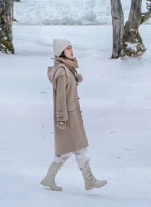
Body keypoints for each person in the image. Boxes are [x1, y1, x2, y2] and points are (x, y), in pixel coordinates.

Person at [40, 38, 107, 192]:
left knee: (71, 150)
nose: (71, 50)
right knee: (78, 148)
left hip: (72, 115)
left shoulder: (66, 69)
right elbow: (61, 97)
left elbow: (67, 89)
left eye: (71, 47)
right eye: (68, 48)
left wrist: (75, 80)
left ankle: (50, 178)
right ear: (61, 52)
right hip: (68, 117)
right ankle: (88, 180)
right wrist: (61, 118)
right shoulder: (62, 72)